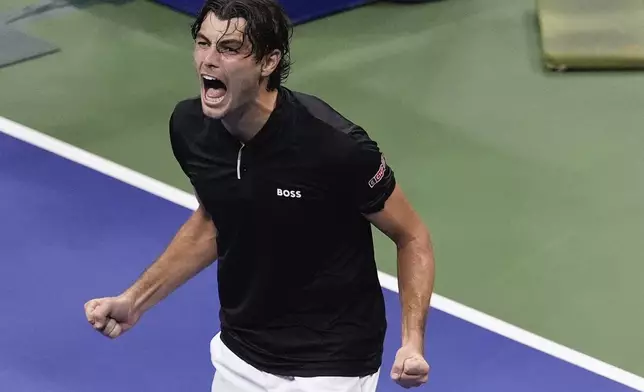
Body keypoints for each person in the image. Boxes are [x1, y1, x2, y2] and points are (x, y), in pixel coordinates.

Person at [84, 0, 436, 391]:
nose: (209, 61)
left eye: (230, 48)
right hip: (241, 356)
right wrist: (135, 300)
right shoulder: (190, 129)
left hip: (330, 368)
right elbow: (216, 219)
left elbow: (412, 236)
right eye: (203, 43)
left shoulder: (335, 147)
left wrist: (412, 343)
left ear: (269, 62)